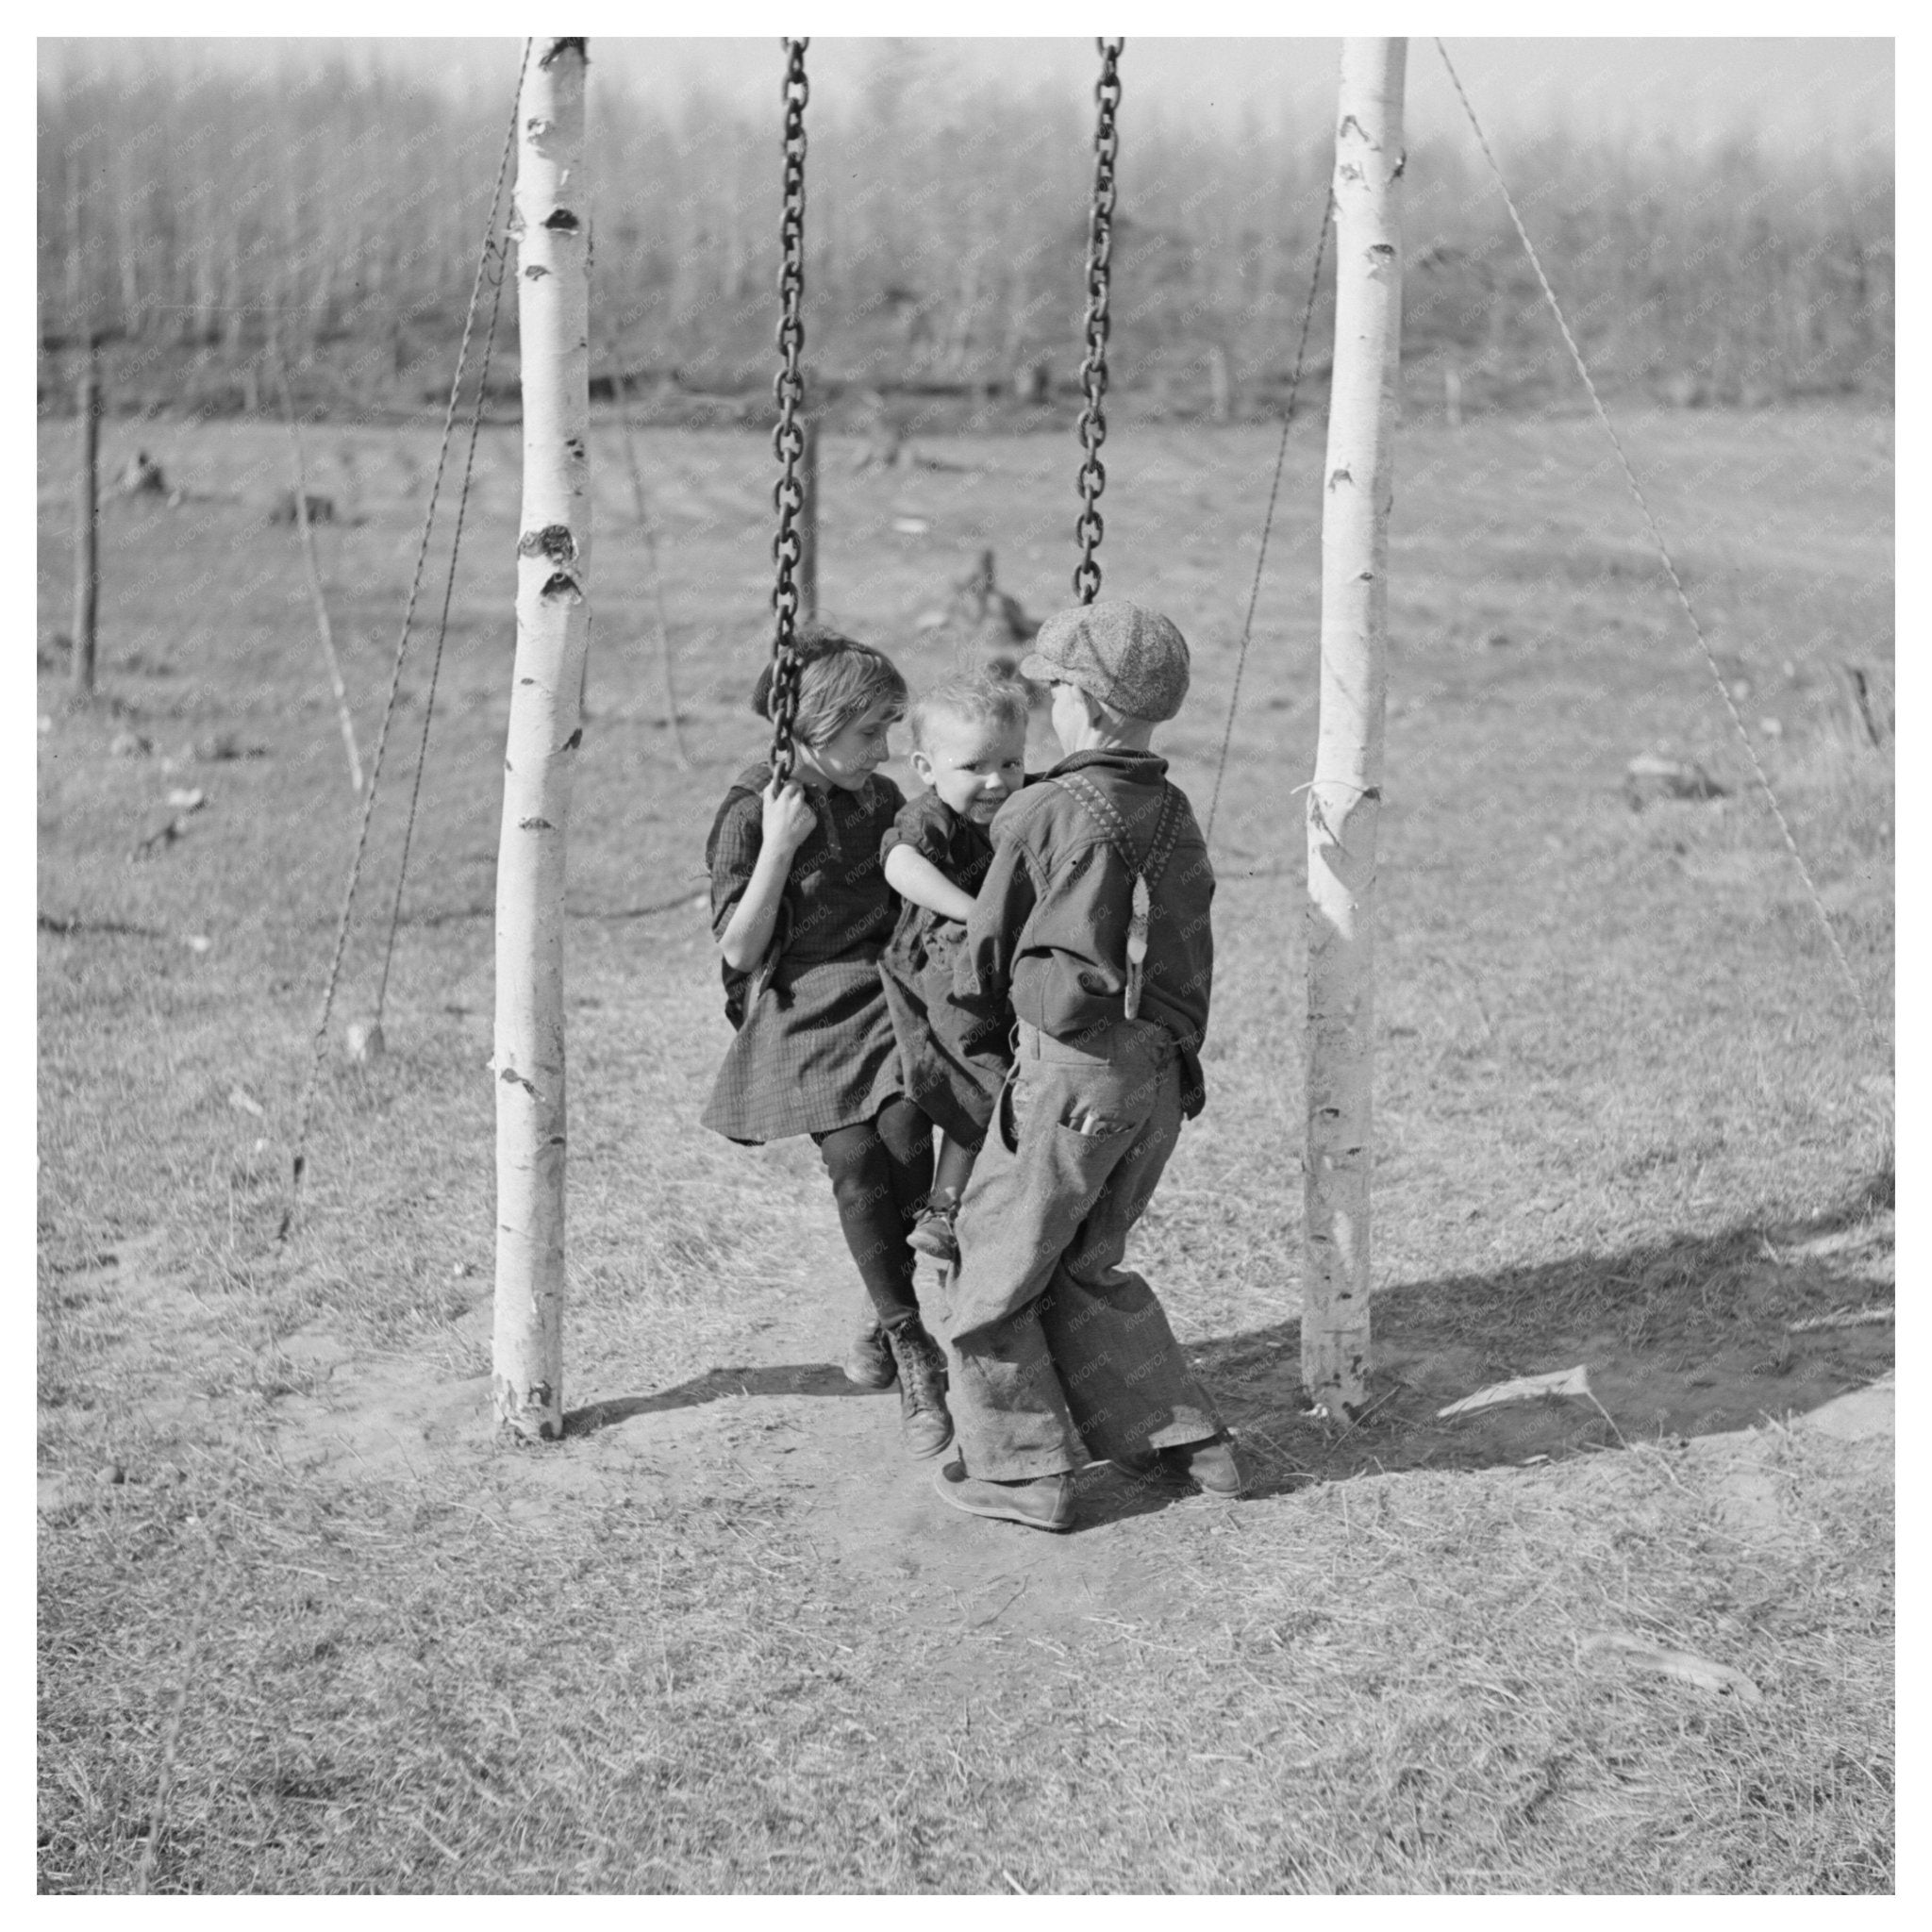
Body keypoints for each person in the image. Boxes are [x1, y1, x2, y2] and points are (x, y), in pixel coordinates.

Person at [927, 600, 1241, 1532]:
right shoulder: (1173, 811)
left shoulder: (1043, 807)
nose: (1048, 707)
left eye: (1052, 689)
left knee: (993, 1269)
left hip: (1068, 1072)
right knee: (1086, 1261)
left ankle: (1023, 1474)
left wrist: (967, 1034)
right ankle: (1187, 1440)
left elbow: (986, 955)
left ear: (1084, 703)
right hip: (1158, 1074)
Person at [701, 625, 951, 1458]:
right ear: (815, 722)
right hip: (804, 1004)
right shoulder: (747, 812)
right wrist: (778, 846)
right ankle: (911, 1343)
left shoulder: (879, 799)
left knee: (910, 1136)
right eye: (870, 730)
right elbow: (738, 950)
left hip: (884, 993)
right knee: (853, 1160)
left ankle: (887, 1325)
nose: (883, 748)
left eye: (888, 729)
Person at [877, 672, 1031, 1267]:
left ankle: (961, 1209)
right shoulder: (931, 818)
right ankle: (943, 1209)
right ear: (926, 768)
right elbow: (900, 864)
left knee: (1000, 1074)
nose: (997, 781)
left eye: (1012, 763)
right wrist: (975, 913)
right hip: (939, 972)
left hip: (995, 971)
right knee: (982, 1078)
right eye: (974, 767)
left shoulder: (1022, 805)